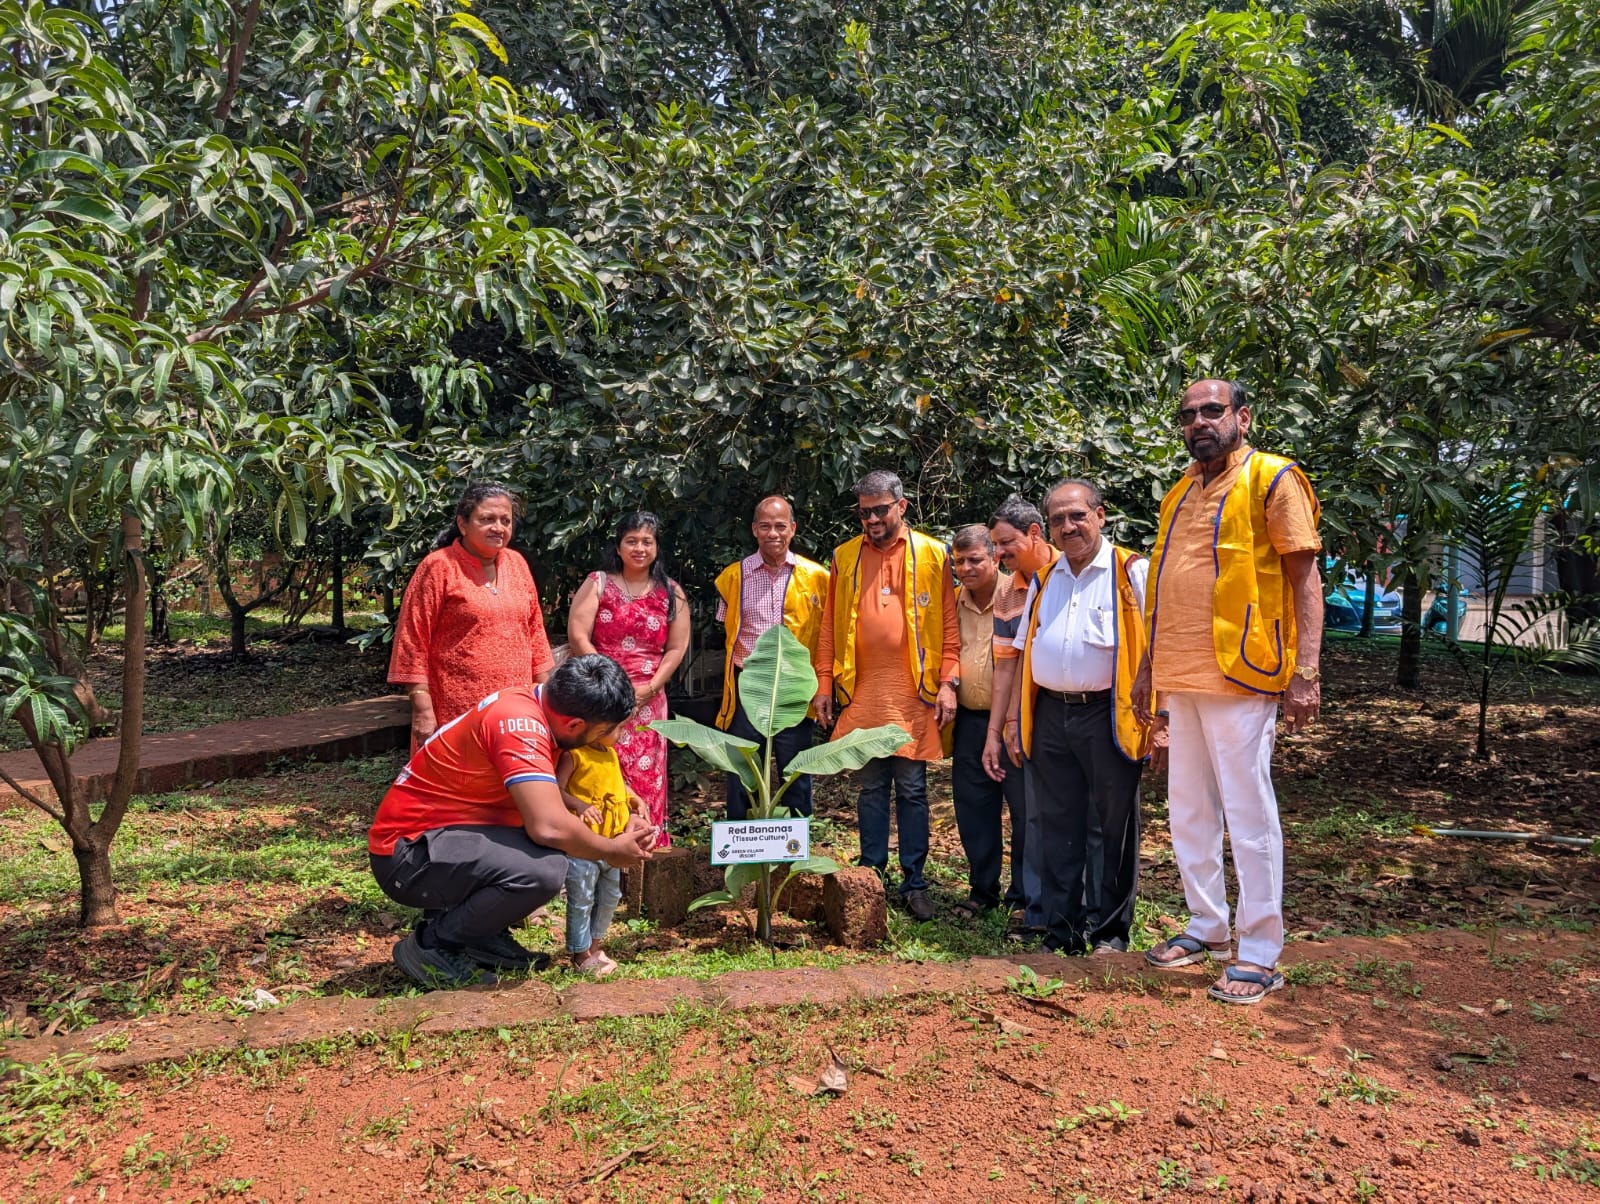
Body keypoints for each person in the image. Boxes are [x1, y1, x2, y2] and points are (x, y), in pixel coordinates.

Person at [1132, 379, 1323, 1005]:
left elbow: (1304, 579)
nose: (1199, 422)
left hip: (1244, 673)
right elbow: (1162, 587)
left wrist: (1307, 672)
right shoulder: (1179, 492)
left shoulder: (1273, 479)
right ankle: (1208, 925)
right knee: (1188, 810)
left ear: (1243, 416)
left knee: (1248, 812)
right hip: (1180, 676)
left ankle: (1261, 952)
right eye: (1188, 415)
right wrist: (1146, 673)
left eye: (1212, 411)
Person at [367, 654, 655, 988]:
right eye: (604, 731)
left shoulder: (545, 709)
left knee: (548, 848)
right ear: (575, 724)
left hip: (449, 838)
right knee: (543, 869)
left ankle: (479, 934)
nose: (606, 739)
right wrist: (610, 850)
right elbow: (548, 825)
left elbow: (583, 784)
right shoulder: (520, 724)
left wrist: (627, 811)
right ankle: (433, 944)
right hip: (407, 855)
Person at [1002, 481, 1151, 955]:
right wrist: (1010, 723)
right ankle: (1061, 931)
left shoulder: (1131, 572)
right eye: (1058, 519)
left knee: (1114, 827)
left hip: (1109, 715)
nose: (1068, 527)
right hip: (1050, 714)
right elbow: (1023, 651)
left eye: (1077, 516)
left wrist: (1162, 719)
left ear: (1100, 516)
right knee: (1056, 824)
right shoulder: (1046, 578)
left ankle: (1109, 931)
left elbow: (1157, 653)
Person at [813, 470, 959, 922]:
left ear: (902, 506)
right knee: (871, 788)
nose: (872, 518)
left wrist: (949, 681)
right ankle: (871, 875)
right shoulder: (845, 555)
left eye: (880, 509)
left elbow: (950, 627)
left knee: (913, 790)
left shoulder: (935, 554)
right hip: (861, 691)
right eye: (864, 511)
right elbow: (830, 626)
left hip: (914, 694)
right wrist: (822, 683)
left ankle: (914, 880)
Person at [389, 482, 556, 750]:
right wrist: (422, 707)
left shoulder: (517, 564)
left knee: (512, 783)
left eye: (505, 520)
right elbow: (413, 640)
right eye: (487, 519)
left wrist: (549, 697)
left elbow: (535, 633)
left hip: (516, 711)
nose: (499, 528)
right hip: (456, 711)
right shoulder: (439, 567)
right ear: (463, 524)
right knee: (459, 785)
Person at [568, 512, 691, 849]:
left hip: (649, 700)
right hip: (601, 695)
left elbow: (677, 647)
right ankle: (596, 851)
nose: (639, 548)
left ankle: (645, 851)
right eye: (632, 541)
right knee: (598, 771)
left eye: (647, 541)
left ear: (656, 547)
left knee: (646, 777)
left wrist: (650, 688)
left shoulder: (671, 592)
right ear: (619, 546)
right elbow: (579, 635)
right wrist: (608, 684)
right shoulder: (599, 582)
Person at [713, 496, 830, 819]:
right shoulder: (733, 578)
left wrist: (823, 685)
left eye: (780, 526)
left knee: (795, 771)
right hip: (748, 686)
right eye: (765, 526)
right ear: (754, 530)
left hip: (794, 687)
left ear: (793, 529)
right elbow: (728, 628)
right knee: (742, 770)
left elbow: (826, 636)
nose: (773, 533)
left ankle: (794, 852)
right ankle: (742, 848)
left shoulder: (817, 577)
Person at [978, 495, 1059, 933]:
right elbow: (1006, 664)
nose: (999, 554)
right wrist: (1000, 729)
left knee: (1075, 813)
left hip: (1071, 707)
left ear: (1033, 533)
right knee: (1030, 812)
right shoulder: (1007, 590)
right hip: (1027, 715)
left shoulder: (1068, 573)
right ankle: (1035, 905)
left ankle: (1081, 905)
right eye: (995, 545)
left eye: (1005, 543)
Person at [948, 525, 1027, 920]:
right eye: (959, 561)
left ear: (994, 557)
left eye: (974, 559)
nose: (966, 568)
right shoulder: (951, 602)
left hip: (1014, 720)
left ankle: (1024, 894)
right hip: (969, 720)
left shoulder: (1018, 594)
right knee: (974, 808)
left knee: (1023, 806)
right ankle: (982, 889)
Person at [557, 742, 639, 978]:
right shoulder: (574, 756)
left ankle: (594, 946)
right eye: (617, 727)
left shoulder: (611, 753)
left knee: (610, 896)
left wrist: (634, 799)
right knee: (582, 898)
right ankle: (580, 953)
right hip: (583, 844)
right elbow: (556, 790)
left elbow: (617, 784)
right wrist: (579, 804)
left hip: (612, 843)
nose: (621, 734)